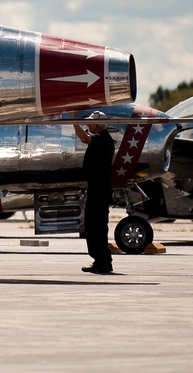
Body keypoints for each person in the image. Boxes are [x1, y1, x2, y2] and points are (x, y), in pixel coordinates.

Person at [73, 111, 115, 274]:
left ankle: (103, 260)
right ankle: (100, 260)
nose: (89, 125)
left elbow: (84, 138)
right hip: (97, 187)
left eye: (91, 123)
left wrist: (74, 122)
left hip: (100, 188)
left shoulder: (102, 138)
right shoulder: (102, 139)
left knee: (95, 225)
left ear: (99, 125)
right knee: (94, 224)